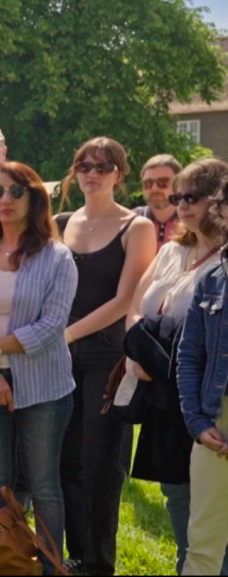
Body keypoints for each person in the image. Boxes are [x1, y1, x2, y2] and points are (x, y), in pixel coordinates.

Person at [0, 162, 78, 574]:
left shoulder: (57, 258)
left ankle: (47, 569)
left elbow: (50, 326)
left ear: (34, 199)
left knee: (43, 485)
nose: (3, 200)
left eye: (14, 192)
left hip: (43, 387)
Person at [56, 136, 156, 576]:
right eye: (84, 165)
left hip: (106, 358)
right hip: (59, 359)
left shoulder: (137, 227)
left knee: (101, 462)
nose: (92, 173)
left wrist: (67, 334)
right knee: (65, 461)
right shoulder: (59, 222)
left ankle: (99, 563)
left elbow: (125, 299)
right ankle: (77, 556)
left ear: (119, 173)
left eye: (102, 165)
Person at [125, 158, 228, 576]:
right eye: (176, 196)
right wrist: (140, 356)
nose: (181, 205)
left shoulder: (221, 264)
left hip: (206, 393)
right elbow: (134, 306)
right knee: (177, 494)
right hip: (164, 393)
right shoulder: (171, 250)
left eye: (192, 196)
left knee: (212, 506)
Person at [178, 170, 228, 577]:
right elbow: (190, 355)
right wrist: (196, 421)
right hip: (217, 423)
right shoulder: (211, 278)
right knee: (204, 547)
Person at [135, 155, 182, 249]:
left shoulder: (191, 222)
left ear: (178, 184)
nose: (154, 189)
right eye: (148, 183)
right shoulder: (130, 222)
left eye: (163, 182)